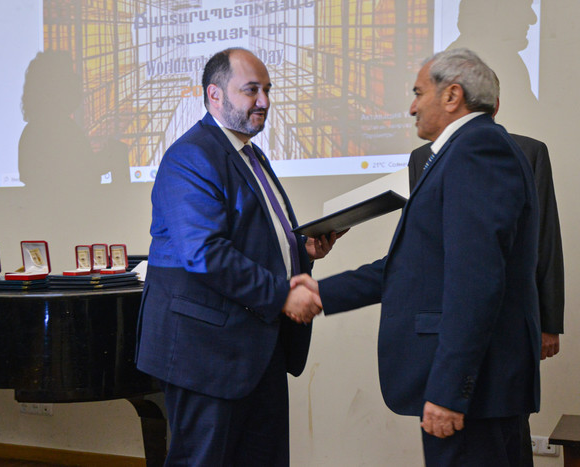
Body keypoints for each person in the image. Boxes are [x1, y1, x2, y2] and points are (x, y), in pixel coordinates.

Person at [291, 48, 541, 466]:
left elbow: (476, 283)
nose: (411, 107)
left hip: (474, 395)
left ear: (452, 96)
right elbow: (414, 268)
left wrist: (449, 392)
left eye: (418, 92)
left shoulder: (476, 151)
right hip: (478, 392)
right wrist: (322, 293)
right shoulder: (465, 151)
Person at [135, 47, 340, 466]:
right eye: (251, 90)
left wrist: (301, 251)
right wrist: (283, 294)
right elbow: (205, 252)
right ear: (214, 94)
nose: (264, 101)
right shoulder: (192, 155)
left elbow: (253, 237)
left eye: (267, 90)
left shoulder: (250, 154)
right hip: (207, 354)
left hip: (257, 346)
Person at [408, 129, 564, 467]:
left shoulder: (528, 151)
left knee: (509, 440)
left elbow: (545, 238)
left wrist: (549, 323)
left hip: (509, 334)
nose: (414, 107)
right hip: (446, 331)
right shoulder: (422, 158)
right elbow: (424, 248)